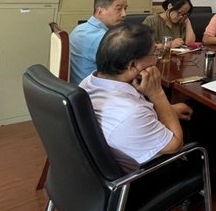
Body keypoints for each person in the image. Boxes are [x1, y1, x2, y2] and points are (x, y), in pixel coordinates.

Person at [79, 24, 192, 173]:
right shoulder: (131, 113)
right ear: (133, 65)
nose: (156, 59)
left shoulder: (89, 82)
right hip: (147, 174)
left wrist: (168, 110)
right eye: (154, 53)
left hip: (121, 150)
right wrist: (157, 93)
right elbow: (175, 145)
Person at [69, 0, 128, 84]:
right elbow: (124, 69)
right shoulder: (101, 38)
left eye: (125, 8)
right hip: (91, 89)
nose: (124, 14)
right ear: (100, 12)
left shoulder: (82, 28)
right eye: (118, 9)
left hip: (76, 85)